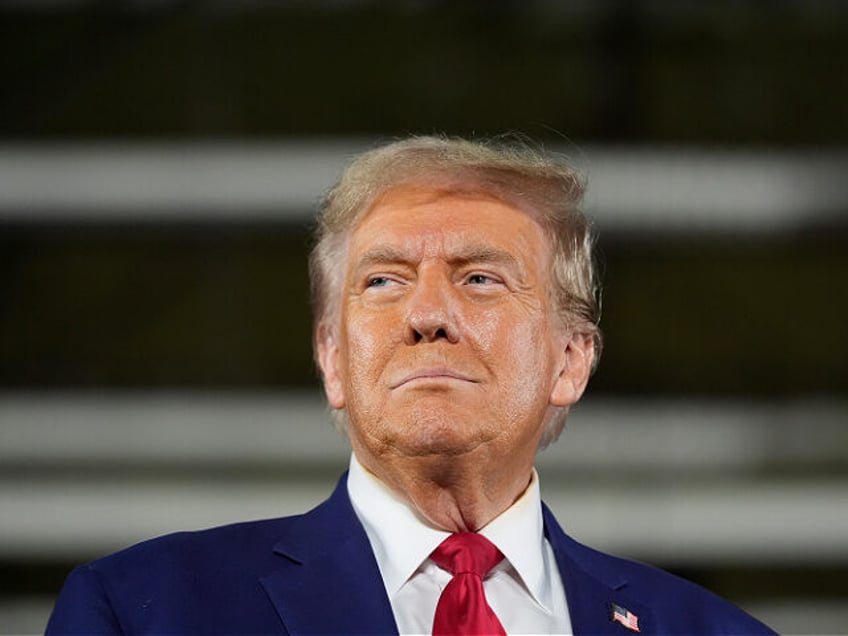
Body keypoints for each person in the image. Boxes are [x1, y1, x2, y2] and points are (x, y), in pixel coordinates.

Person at [47, 135, 776, 635]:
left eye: (480, 278)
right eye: (384, 280)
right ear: (332, 359)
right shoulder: (147, 612)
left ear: (570, 360)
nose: (426, 314)